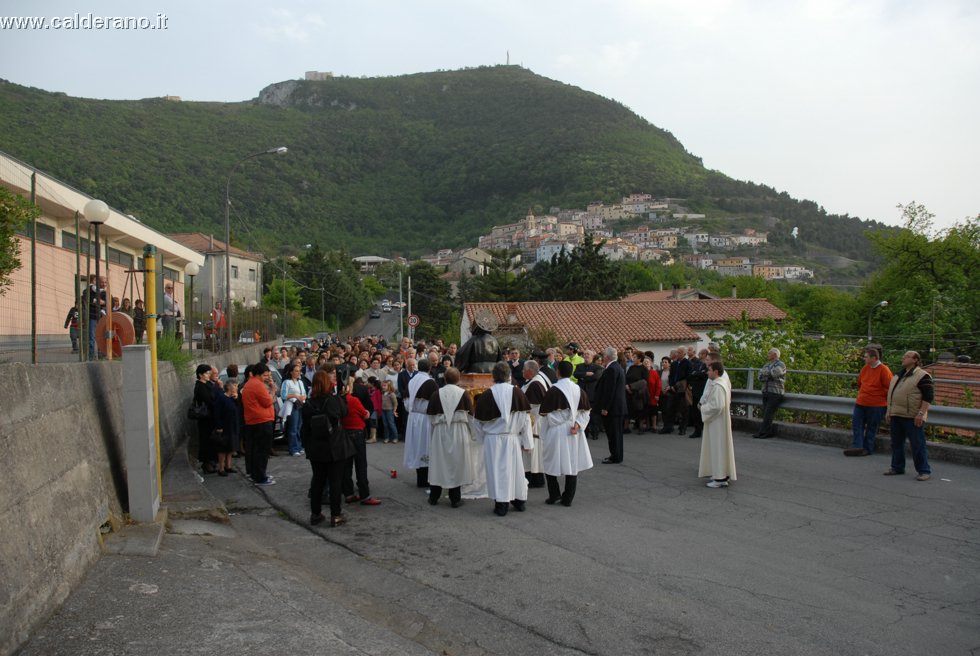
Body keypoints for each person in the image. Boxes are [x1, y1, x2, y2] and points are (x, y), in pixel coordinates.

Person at [471, 362, 534, 516]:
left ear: (494, 376)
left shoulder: (486, 396)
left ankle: (501, 505)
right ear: (509, 375)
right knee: (515, 470)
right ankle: (519, 501)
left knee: (497, 472)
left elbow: (477, 423)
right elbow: (525, 421)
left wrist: (481, 440)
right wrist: (527, 442)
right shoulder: (518, 394)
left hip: (493, 441)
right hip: (512, 438)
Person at [302, 367, 353, 527]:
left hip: (316, 446)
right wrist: (343, 397)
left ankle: (315, 514)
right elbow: (344, 413)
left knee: (317, 481)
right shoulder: (334, 400)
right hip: (335, 446)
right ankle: (335, 515)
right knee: (335, 481)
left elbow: (305, 427)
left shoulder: (308, 404)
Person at [538, 360, 593, 506]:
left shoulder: (553, 390)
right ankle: (568, 498)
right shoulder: (578, 389)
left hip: (556, 431)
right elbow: (586, 411)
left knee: (550, 462)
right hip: (573, 430)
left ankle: (554, 495)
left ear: (558, 373)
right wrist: (578, 424)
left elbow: (548, 416)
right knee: (572, 463)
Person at [426, 367, 475, 507]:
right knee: (456, 463)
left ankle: (434, 498)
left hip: (440, 431)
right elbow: (471, 417)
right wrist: (473, 434)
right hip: (458, 431)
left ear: (445, 379)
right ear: (458, 379)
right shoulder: (464, 394)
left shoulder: (436, 394)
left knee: (439, 463)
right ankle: (455, 499)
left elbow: (430, 417)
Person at [884, 351, 933, 481]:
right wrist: (889, 411)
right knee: (896, 443)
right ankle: (897, 467)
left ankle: (924, 470)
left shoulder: (922, 375)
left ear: (915, 360)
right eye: (904, 356)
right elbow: (891, 395)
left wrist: (921, 413)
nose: (903, 358)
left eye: (907, 356)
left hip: (912, 416)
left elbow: (928, 397)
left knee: (917, 444)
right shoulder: (899, 375)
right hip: (896, 414)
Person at [845, 346, 893, 457]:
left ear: (874, 358)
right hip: (861, 402)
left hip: (877, 405)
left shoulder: (884, 370)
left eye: (866, 357)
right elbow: (859, 383)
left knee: (872, 427)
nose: (864, 359)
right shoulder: (865, 368)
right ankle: (858, 446)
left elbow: (889, 388)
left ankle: (867, 448)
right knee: (857, 424)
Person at [340, 380, 382, 506]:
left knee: (347, 465)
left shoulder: (337, 400)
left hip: (344, 432)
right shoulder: (353, 400)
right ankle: (365, 495)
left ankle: (348, 493)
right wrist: (367, 413)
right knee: (360, 464)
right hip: (356, 432)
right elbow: (364, 414)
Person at [698, 361, 736, 488]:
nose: (707, 372)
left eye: (709, 370)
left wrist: (703, 408)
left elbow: (717, 406)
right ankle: (721, 474)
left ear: (716, 371)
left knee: (718, 448)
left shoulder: (718, 386)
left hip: (717, 422)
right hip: (717, 422)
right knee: (720, 448)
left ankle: (720, 478)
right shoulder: (720, 384)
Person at [405, 358, 438, 488]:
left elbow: (406, 401)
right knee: (426, 447)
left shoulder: (412, 380)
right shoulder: (430, 382)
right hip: (425, 418)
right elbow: (435, 402)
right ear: (430, 368)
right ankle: (426, 479)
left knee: (416, 448)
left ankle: (421, 479)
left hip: (413, 417)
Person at [242, 363, 276, 486]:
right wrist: (272, 390)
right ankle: (261, 477)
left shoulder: (249, 384)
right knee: (262, 451)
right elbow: (268, 402)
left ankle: (255, 474)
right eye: (265, 375)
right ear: (258, 374)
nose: (267, 377)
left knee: (255, 449)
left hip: (253, 421)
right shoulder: (257, 385)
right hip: (261, 421)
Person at [521, 360, 551, 488]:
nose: (522, 371)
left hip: (535, 421)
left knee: (533, 452)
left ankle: (535, 478)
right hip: (534, 420)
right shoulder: (535, 381)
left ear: (529, 371)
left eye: (524, 369)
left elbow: (532, 404)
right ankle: (533, 476)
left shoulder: (535, 384)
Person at [594, 346, 627, 464]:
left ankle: (615, 456)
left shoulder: (612, 369)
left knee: (613, 434)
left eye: (603, 356)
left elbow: (610, 390)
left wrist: (605, 408)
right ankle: (617, 455)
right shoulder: (617, 367)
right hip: (617, 407)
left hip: (613, 408)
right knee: (616, 433)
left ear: (607, 357)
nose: (602, 357)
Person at [754, 348, 786, 439]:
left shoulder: (781, 364)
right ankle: (766, 432)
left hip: (775, 392)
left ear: (775, 355)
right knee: (765, 413)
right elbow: (760, 377)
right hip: (766, 391)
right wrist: (767, 374)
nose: (767, 354)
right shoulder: (767, 364)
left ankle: (763, 432)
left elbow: (775, 374)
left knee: (768, 413)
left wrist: (765, 374)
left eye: (769, 353)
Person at [212, 380, 241, 476]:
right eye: (235, 385)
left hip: (233, 425)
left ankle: (228, 466)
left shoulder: (233, 398)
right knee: (223, 448)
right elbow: (217, 413)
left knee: (231, 447)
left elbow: (238, 409)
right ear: (229, 387)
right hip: (225, 426)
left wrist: (236, 399)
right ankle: (221, 468)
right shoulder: (221, 397)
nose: (236, 387)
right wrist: (219, 426)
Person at [192, 364, 217, 475]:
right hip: (205, 418)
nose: (208, 375)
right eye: (206, 373)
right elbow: (209, 400)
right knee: (205, 440)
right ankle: (206, 463)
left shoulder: (207, 384)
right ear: (200, 375)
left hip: (210, 417)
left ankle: (211, 461)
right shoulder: (200, 386)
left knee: (211, 440)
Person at [574, 349, 603, 441]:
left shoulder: (597, 367)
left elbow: (596, 377)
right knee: (582, 413)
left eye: (588, 354)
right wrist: (586, 374)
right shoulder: (579, 366)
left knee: (594, 415)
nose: (586, 355)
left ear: (592, 356)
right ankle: (584, 432)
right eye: (585, 354)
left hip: (592, 393)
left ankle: (595, 433)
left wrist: (583, 378)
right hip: (582, 393)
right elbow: (575, 374)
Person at [280, 363, 307, 456]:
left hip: (300, 405)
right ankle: (293, 448)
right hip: (292, 405)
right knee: (293, 427)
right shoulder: (287, 382)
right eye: (296, 371)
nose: (298, 372)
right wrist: (295, 395)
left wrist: (302, 398)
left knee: (299, 426)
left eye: (299, 371)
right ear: (291, 372)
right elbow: (283, 395)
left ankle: (299, 446)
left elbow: (304, 393)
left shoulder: (300, 382)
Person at [687, 349, 709, 438]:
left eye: (700, 353)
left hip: (703, 391)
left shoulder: (707, 366)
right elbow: (691, 374)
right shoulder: (698, 364)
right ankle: (697, 430)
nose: (699, 355)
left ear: (704, 355)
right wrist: (697, 374)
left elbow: (703, 375)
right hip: (695, 390)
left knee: (702, 411)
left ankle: (704, 429)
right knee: (695, 411)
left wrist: (697, 374)